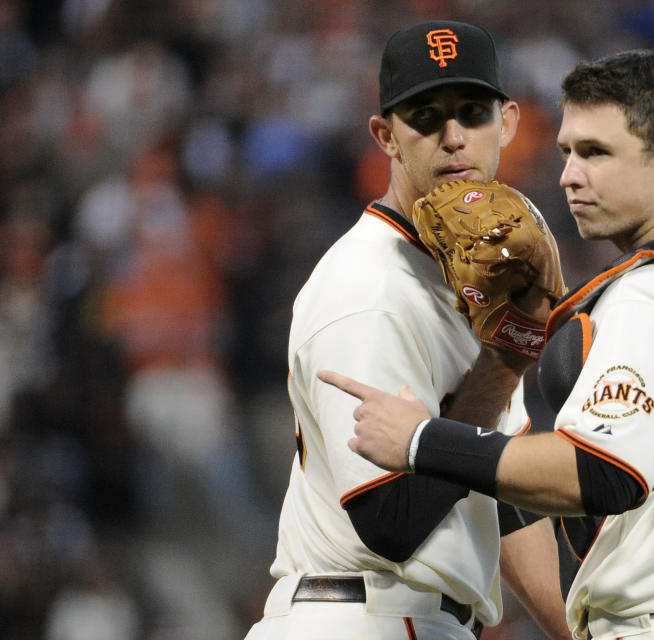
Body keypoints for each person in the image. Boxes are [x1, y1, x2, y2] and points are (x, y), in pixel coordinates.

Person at [319, 48, 654, 640]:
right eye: (567, 152)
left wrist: (422, 439)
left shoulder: (653, 296)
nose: (570, 175)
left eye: (596, 153)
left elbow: (601, 471)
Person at [243, 20, 571, 640]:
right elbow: (387, 522)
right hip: (363, 615)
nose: (453, 138)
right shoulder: (367, 286)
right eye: (426, 117)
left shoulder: (474, 286)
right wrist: (503, 364)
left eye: (472, 113)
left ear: (508, 123)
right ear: (385, 136)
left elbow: (503, 504)